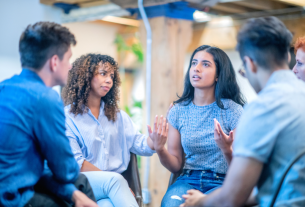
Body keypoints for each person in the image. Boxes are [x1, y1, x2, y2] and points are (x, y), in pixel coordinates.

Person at [181, 16, 305, 207]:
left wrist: (200, 202)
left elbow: (234, 196)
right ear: (288, 57)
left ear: (250, 63)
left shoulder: (262, 108)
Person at [0, 22, 98, 207]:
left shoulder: (4, 87)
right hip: (12, 197)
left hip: (15, 183)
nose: (70, 67)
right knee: (79, 183)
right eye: (68, 60)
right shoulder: (44, 98)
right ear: (54, 62)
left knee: (77, 186)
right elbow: (65, 171)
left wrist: (71, 193)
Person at [61, 53, 168, 207]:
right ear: (85, 76)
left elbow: (139, 143)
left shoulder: (118, 116)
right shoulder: (67, 117)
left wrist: (155, 140)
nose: (109, 80)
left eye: (111, 76)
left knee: (107, 205)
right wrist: (117, 183)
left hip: (112, 188)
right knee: (115, 181)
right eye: (103, 74)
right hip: (81, 183)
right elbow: (77, 163)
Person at [149, 45, 245, 207]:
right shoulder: (178, 111)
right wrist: (160, 149)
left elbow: (239, 171)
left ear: (218, 75)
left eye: (205, 64)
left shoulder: (234, 111)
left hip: (222, 182)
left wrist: (226, 149)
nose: (196, 69)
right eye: (194, 63)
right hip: (187, 180)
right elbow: (176, 165)